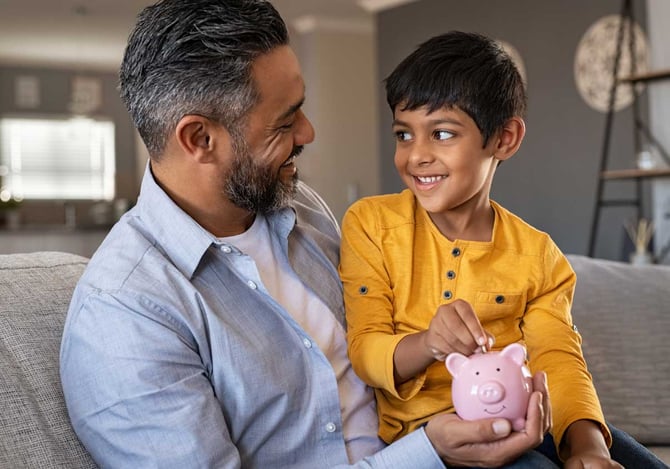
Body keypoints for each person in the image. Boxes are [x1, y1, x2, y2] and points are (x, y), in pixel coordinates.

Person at [59, 2, 554, 467]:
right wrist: (428, 454)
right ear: (199, 139)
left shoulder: (303, 214)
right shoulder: (124, 313)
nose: (309, 132)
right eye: (284, 121)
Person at [340, 31, 667, 468]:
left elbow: (558, 358)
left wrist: (587, 444)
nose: (415, 155)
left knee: (622, 454)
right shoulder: (371, 224)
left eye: (441, 133)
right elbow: (365, 350)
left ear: (504, 139)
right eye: (403, 134)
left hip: (530, 423)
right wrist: (428, 343)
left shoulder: (539, 255)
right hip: (434, 441)